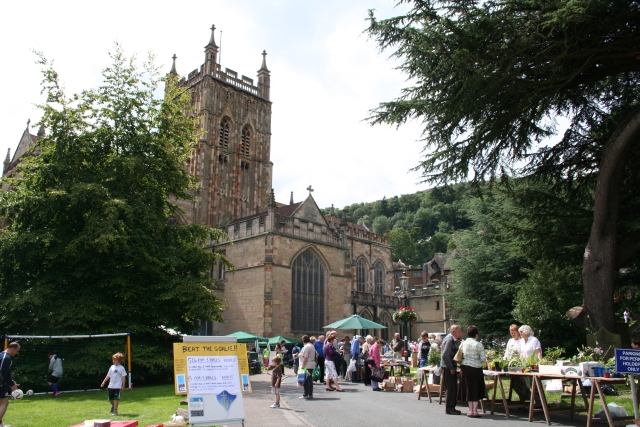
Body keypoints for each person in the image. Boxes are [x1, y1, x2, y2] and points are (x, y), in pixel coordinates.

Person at [459, 325, 486, 418]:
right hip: (476, 368)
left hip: (465, 368)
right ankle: (475, 410)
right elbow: (483, 359)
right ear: (476, 334)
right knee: (475, 389)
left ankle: (470, 410)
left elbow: (460, 354)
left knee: (468, 388)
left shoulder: (463, 343)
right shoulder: (478, 344)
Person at [441, 325, 462, 415]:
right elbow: (445, 355)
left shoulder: (450, 339)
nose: (460, 333)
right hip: (448, 368)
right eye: (459, 331)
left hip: (448, 367)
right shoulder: (449, 340)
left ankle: (451, 407)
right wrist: (451, 367)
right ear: (454, 332)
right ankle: (449, 408)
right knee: (450, 388)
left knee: (452, 388)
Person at [0, 342, 20, 427]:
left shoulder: (1, 354)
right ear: (12, 349)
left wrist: (10, 381)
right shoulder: (6, 358)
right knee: (4, 402)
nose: (16, 353)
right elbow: (3, 373)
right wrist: (12, 384)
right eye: (16, 351)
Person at [299, 335, 317, 399]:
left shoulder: (306, 346)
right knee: (309, 380)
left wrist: (302, 365)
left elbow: (305, 357)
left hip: (307, 364)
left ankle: (306, 394)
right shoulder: (312, 345)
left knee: (306, 380)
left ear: (303, 340)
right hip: (311, 364)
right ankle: (310, 394)